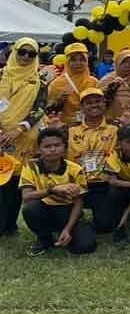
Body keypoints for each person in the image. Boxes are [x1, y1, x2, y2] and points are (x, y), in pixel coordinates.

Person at [19, 127, 97, 256]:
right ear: (39, 149)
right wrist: (52, 190)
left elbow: (79, 203)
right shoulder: (31, 166)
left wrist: (67, 229)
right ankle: (44, 239)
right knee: (30, 208)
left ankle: (69, 231)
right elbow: (26, 197)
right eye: (47, 146)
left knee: (85, 246)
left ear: (64, 148)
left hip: (68, 211)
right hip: (44, 209)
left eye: (57, 145)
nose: (53, 149)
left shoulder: (75, 169)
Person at [0, 37, 48, 236]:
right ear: (14, 52)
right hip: (1, 136)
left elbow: (39, 109)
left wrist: (18, 129)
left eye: (31, 53)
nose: (26, 57)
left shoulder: (40, 81)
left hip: (25, 136)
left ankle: (10, 224)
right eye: (22, 52)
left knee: (18, 183)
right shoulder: (1, 75)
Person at [66, 87, 121, 234]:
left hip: (102, 184)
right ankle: (75, 216)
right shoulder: (70, 130)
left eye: (98, 101)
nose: (94, 105)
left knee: (105, 227)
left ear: (104, 103)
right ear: (81, 107)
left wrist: (129, 124)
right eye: (89, 103)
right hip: (75, 184)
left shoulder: (115, 128)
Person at [46, 42, 99, 124]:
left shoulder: (94, 82)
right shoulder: (57, 83)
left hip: (90, 124)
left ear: (87, 62)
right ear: (67, 62)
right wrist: (60, 100)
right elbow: (48, 106)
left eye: (82, 60)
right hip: (64, 126)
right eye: (73, 60)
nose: (78, 63)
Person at [99, 48, 130, 127]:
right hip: (111, 123)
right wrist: (112, 88)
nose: (128, 65)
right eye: (124, 62)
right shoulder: (108, 79)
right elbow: (99, 101)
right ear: (118, 63)